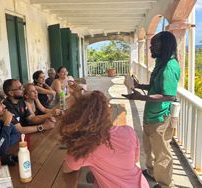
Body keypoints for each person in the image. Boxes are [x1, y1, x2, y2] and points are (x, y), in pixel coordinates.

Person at [122, 31, 180, 188]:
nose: (150, 47)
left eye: (154, 44)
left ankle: (165, 184)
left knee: (162, 154)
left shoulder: (169, 66)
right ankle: (153, 172)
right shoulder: (161, 62)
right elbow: (155, 87)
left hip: (160, 118)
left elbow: (167, 95)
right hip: (151, 115)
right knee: (149, 147)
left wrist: (140, 97)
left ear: (165, 45)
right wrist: (138, 86)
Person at [60, 91, 149, 188]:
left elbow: (66, 169)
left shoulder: (86, 145)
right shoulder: (129, 131)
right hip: (141, 184)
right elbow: (134, 160)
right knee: (90, 176)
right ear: (107, 113)